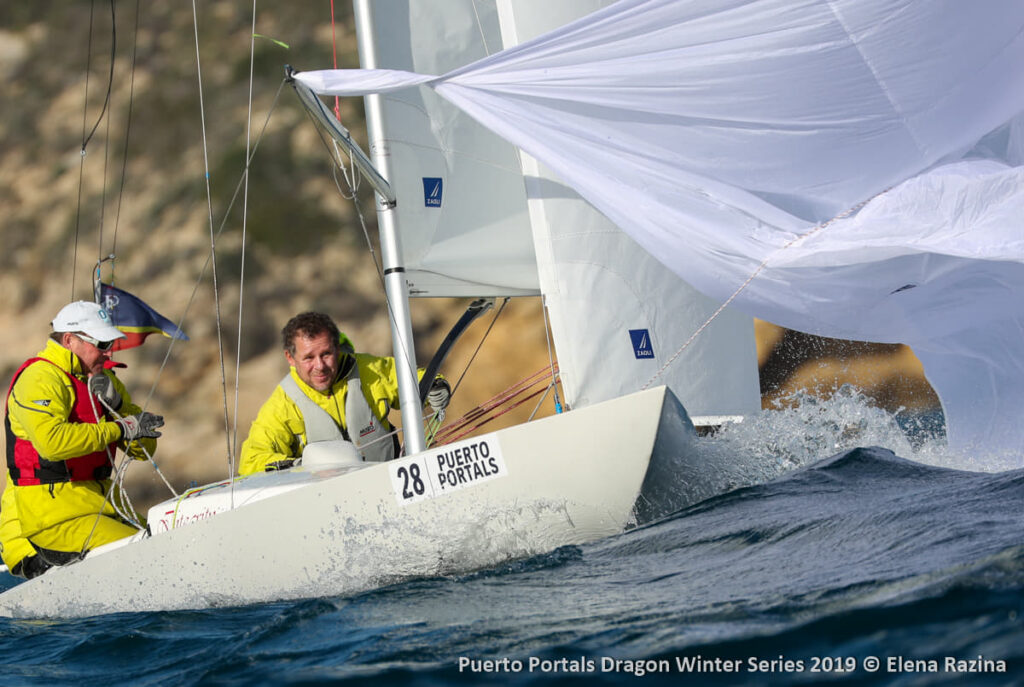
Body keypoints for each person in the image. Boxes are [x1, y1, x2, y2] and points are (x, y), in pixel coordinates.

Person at [1, 301, 164, 573]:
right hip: (56, 520)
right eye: (101, 343)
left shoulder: (105, 379)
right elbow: (52, 443)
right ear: (69, 340)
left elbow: (145, 450)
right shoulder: (39, 378)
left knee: (164, 540)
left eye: (110, 343)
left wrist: (120, 407)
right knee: (151, 555)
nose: (107, 352)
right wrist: (120, 428)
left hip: (101, 506)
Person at [239, 311, 450, 475]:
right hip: (325, 502)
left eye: (326, 354)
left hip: (390, 483)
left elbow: (410, 378)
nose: (320, 366)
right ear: (290, 358)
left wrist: (435, 385)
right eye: (309, 358)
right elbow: (251, 462)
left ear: (337, 349)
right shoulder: (281, 405)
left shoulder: (369, 370)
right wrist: (300, 467)